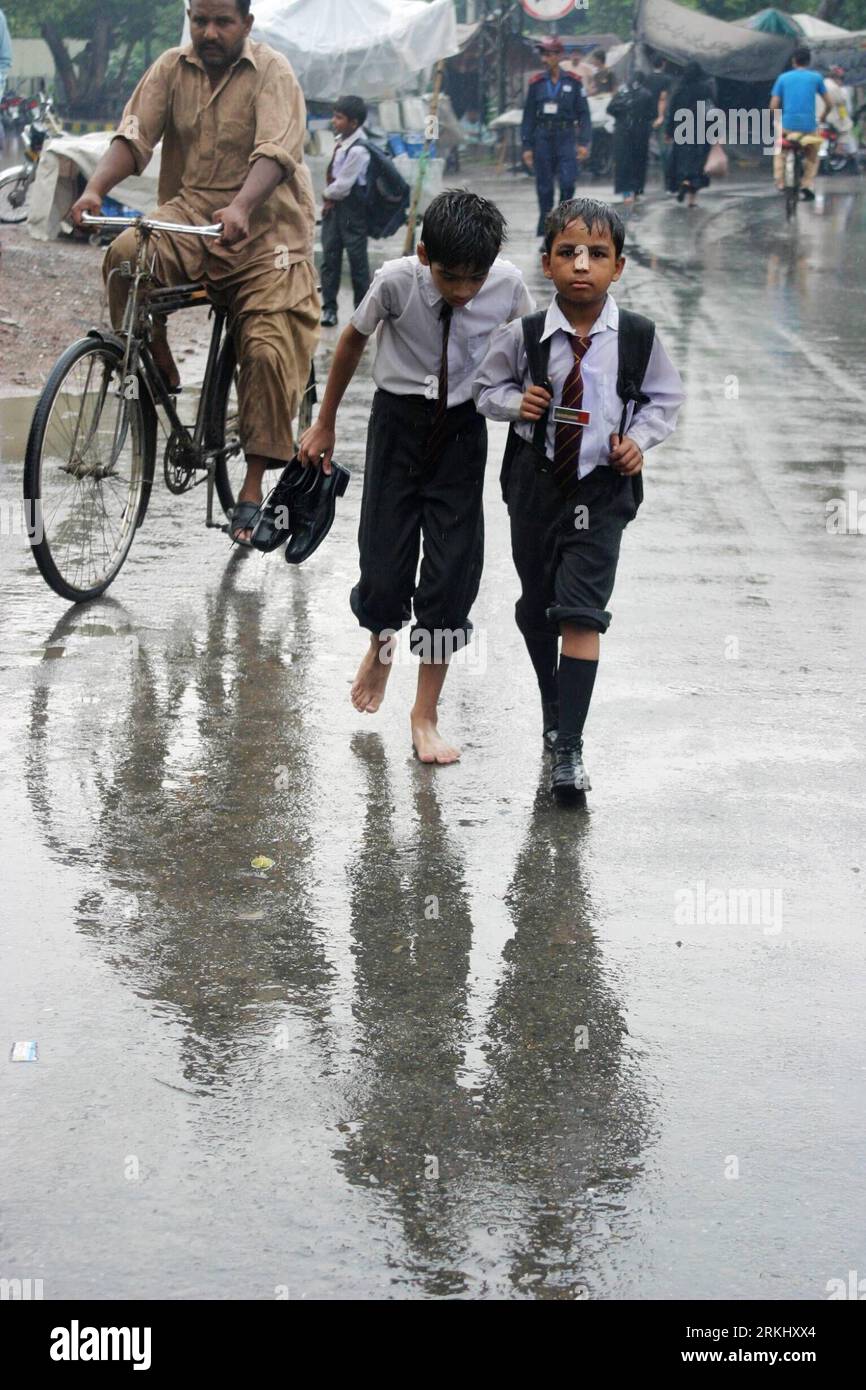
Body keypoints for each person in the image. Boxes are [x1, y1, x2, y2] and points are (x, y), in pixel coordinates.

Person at [69, 0, 319, 547]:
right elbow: (133, 138)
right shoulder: (169, 67)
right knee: (126, 256)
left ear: (246, 25)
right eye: (199, 20)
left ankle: (251, 488)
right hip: (191, 214)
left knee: (266, 350)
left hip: (266, 231)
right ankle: (153, 352)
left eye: (221, 22)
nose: (208, 32)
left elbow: (276, 153)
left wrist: (243, 207)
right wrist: (94, 190)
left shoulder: (272, 72)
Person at [297, 191, 534, 764]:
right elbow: (352, 340)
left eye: (473, 278)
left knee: (452, 575)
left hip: (461, 432)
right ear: (425, 254)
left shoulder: (507, 285)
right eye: (449, 277)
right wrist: (323, 423)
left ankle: (424, 712)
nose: (462, 291)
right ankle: (380, 646)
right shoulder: (397, 281)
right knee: (384, 564)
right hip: (397, 426)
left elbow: (531, 351)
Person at [474, 198, 683, 803]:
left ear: (618, 267)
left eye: (597, 254)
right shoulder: (525, 335)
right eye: (567, 253)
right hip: (536, 484)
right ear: (547, 263)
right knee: (539, 605)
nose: (581, 265)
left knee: (580, 611)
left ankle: (570, 747)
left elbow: (664, 401)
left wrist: (637, 443)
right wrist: (519, 404)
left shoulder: (637, 337)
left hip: (601, 487)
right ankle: (553, 706)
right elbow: (486, 390)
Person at [522, 37, 592, 239]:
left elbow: (584, 114)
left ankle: (562, 221)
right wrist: (527, 146)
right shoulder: (537, 83)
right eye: (543, 54)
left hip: (566, 137)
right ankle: (547, 229)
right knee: (544, 187)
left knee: (568, 182)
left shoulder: (574, 82)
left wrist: (584, 142)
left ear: (559, 56)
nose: (545, 58)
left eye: (549, 54)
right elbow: (528, 117)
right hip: (542, 137)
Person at [320, 95, 371, 329]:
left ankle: (362, 311)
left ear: (354, 122)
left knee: (357, 262)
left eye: (339, 117)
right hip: (335, 211)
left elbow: (342, 186)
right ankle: (329, 309)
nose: (334, 121)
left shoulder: (359, 150)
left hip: (352, 210)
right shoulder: (342, 142)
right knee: (330, 260)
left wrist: (325, 194)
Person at [770, 46, 832, 200]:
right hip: (808, 126)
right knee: (813, 154)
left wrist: (777, 121)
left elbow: (773, 106)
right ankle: (806, 184)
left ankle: (780, 182)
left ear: (793, 61)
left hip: (788, 125)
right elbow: (829, 103)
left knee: (779, 151)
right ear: (809, 62)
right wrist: (823, 116)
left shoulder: (783, 78)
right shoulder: (816, 78)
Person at [665, 60, 715, 207]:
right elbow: (711, 111)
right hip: (700, 131)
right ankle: (692, 199)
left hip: (682, 130)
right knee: (697, 164)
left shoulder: (679, 90)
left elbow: (672, 112)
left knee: (682, 161)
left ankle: (683, 181)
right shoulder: (705, 89)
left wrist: (669, 131)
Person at [608, 75, 656, 207]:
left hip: (622, 134)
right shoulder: (647, 94)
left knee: (623, 163)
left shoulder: (621, 93)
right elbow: (653, 114)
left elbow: (610, 109)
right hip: (640, 134)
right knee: (638, 162)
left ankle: (626, 193)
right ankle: (636, 190)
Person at [823, 65, 858, 159]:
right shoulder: (835, 88)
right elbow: (841, 104)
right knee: (847, 127)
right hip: (829, 118)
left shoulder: (821, 83)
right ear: (837, 78)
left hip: (817, 117)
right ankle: (840, 150)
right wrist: (845, 118)